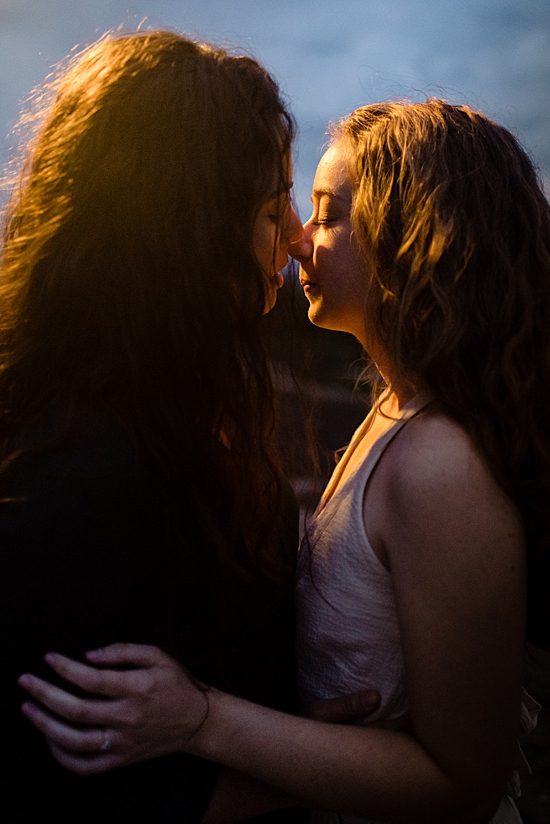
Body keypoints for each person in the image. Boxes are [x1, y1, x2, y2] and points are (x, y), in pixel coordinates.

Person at [18, 100, 550, 823]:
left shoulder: (441, 468)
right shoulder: (394, 415)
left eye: (328, 216)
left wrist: (204, 720)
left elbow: (463, 783)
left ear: (413, 237)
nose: (298, 239)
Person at [0, 27, 317, 823]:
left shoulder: (176, 414)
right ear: (189, 230)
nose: (296, 232)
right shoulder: (72, 475)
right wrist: (329, 763)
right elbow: (66, 783)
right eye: (270, 201)